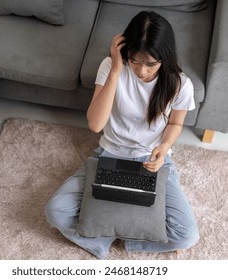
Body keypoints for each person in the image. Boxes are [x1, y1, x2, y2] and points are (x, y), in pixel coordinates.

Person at [45, 11, 199, 259]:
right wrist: (117, 70)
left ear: (165, 58)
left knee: (187, 235)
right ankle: (111, 239)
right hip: (108, 154)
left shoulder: (180, 84)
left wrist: (164, 147)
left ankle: (116, 237)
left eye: (151, 64)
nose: (142, 71)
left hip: (152, 161)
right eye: (135, 61)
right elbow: (95, 124)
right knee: (55, 212)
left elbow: (175, 123)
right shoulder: (110, 67)